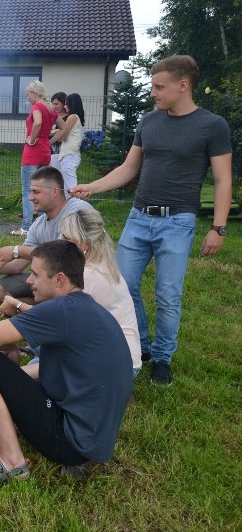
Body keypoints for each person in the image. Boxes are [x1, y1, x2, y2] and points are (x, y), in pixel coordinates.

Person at [71, 54, 232, 386]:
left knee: (168, 293)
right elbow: (129, 169)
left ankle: (162, 358)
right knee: (123, 284)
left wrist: (218, 227)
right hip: (139, 217)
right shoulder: (149, 122)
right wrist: (92, 187)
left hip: (178, 221)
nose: (153, 93)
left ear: (183, 85)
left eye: (160, 87)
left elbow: (223, 180)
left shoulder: (212, 125)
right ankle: (141, 345)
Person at [0, 240, 132, 485]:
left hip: (69, 442)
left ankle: (11, 461)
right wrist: (10, 375)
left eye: (35, 274)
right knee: (4, 373)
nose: (29, 281)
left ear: (59, 279)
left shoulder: (60, 310)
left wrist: (5, 354)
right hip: (93, 441)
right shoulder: (87, 307)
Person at [0, 208, 142, 376]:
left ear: (85, 246)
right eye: (61, 235)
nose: (59, 241)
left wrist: (16, 304)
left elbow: (54, 321)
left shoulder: (90, 276)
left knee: (18, 377)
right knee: (35, 363)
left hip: (118, 363)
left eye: (66, 238)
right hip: (96, 348)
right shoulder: (89, 266)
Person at [0, 166, 92, 304]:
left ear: (55, 192)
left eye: (36, 192)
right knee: (1, 288)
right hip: (51, 278)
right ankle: (42, 312)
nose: (30, 197)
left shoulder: (77, 211)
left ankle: (49, 313)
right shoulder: (38, 224)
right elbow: (16, 266)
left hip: (81, 281)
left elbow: (67, 252)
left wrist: (17, 250)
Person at [14, 81, 60, 236]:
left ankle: (26, 227)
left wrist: (33, 139)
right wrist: (48, 138)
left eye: (28, 94)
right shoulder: (51, 109)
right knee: (41, 189)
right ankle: (42, 225)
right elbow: (64, 127)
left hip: (32, 152)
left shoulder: (36, 107)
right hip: (45, 151)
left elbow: (38, 123)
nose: (27, 97)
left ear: (34, 93)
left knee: (27, 190)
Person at [49, 93, 85, 193]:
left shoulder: (72, 117)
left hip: (69, 154)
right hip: (67, 154)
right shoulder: (76, 117)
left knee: (71, 186)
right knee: (67, 185)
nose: (65, 106)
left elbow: (62, 134)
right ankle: (71, 205)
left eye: (66, 104)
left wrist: (50, 140)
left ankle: (75, 206)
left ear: (71, 104)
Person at [49, 91, 67, 171]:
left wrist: (53, 132)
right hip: (49, 150)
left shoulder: (69, 118)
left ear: (63, 104)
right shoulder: (52, 116)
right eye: (52, 104)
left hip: (61, 151)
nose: (54, 106)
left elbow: (65, 130)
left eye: (56, 104)